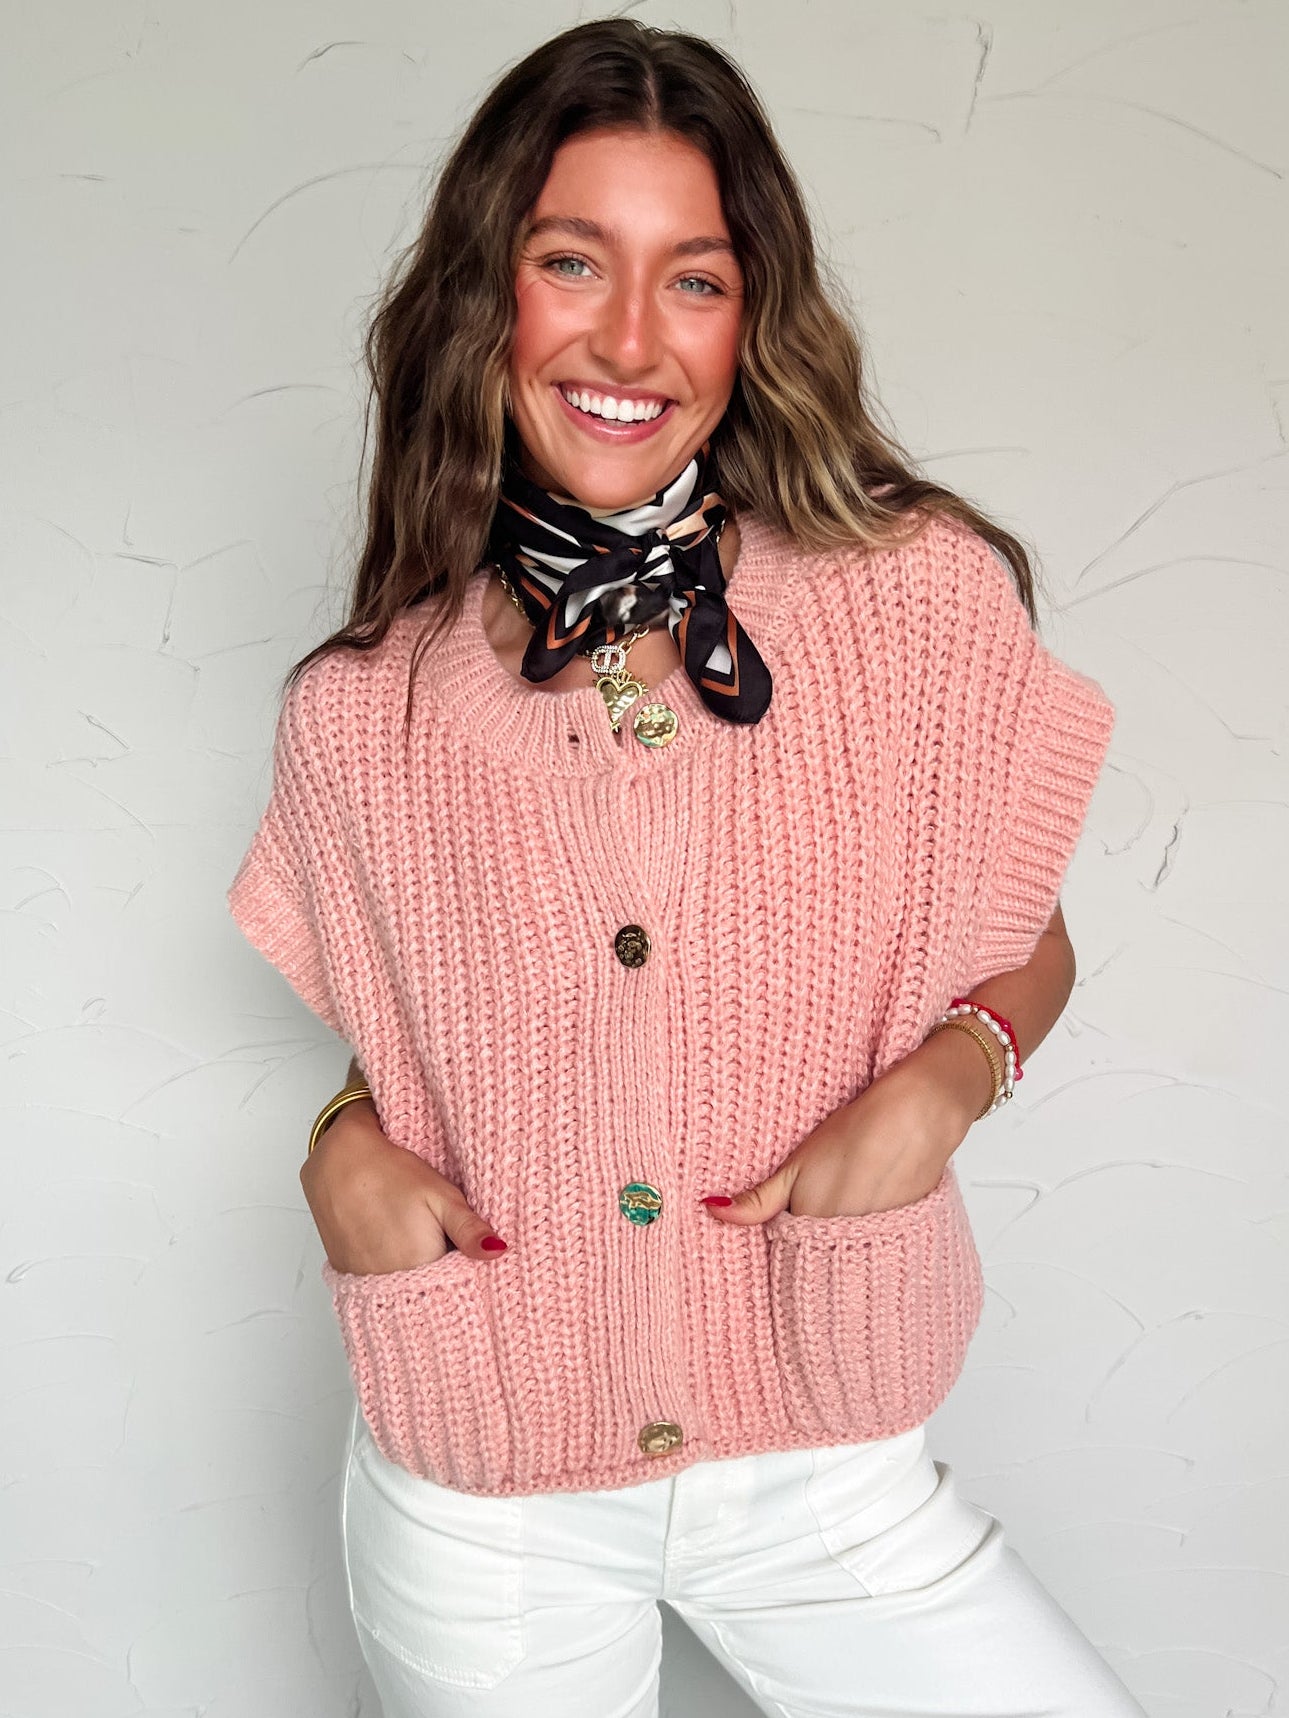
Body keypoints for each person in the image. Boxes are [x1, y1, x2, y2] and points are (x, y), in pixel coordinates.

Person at [226, 19, 1149, 1718]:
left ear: (751, 315)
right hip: (488, 1491)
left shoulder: (907, 603)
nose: (630, 339)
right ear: (486, 294)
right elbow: (425, 1037)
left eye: (695, 279)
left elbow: (1028, 939)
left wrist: (943, 1085)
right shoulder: (365, 708)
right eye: (571, 260)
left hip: (825, 1460)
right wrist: (339, 1145)